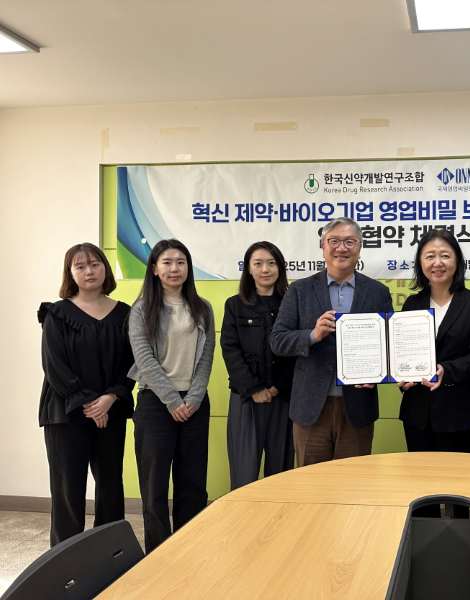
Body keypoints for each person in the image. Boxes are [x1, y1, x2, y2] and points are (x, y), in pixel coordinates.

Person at [271, 218, 392, 467]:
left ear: (360, 247)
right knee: (311, 483)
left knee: (353, 482)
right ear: (322, 246)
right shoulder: (300, 290)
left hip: (357, 407)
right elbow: (278, 340)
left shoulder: (377, 292)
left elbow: (389, 345)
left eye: (349, 242)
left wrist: (379, 373)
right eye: (334, 241)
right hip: (310, 407)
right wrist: (313, 335)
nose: (341, 248)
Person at [38, 243, 134, 546]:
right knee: (68, 490)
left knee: (110, 486)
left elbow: (131, 363)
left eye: (95, 264)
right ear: (70, 273)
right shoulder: (56, 313)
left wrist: (110, 398)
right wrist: (89, 403)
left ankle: (110, 553)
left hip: (110, 412)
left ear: (105, 268)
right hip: (65, 413)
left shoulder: (125, 314)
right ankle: (65, 560)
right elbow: (54, 365)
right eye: (80, 266)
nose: (89, 271)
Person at [128, 239, 214, 553]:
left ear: (188, 267)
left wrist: (193, 398)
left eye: (180, 262)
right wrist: (173, 401)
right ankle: (158, 553)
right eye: (167, 262)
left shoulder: (203, 307)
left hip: (195, 403)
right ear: (154, 269)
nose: (174, 268)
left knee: (193, 483)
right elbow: (144, 359)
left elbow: (206, 357)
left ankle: (188, 548)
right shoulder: (142, 310)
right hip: (156, 403)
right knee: (154, 485)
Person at [398, 229, 470, 456]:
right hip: (418, 411)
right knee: (419, 473)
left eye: (445, 255)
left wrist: (445, 370)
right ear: (420, 263)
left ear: (457, 260)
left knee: (457, 475)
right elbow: (402, 351)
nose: (437, 263)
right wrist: (400, 374)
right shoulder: (412, 304)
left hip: (459, 410)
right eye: (430, 256)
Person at [221, 241, 294, 489]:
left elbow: (295, 351)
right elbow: (230, 350)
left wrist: (277, 386)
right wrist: (254, 389)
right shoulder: (234, 305)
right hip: (246, 398)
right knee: (244, 474)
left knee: (281, 472)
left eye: (271, 263)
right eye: (258, 263)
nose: (265, 269)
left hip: (283, 398)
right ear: (248, 269)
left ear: (280, 268)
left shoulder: (291, 302)